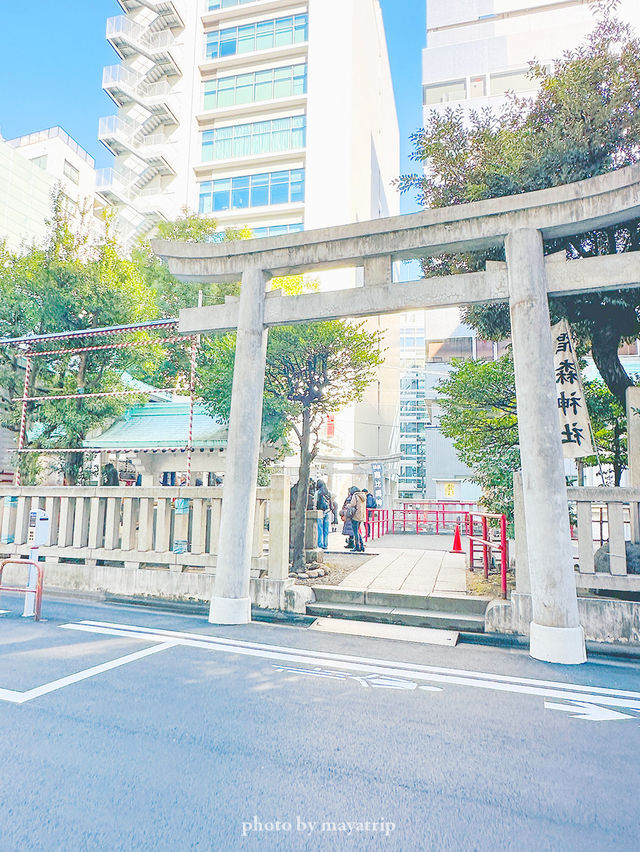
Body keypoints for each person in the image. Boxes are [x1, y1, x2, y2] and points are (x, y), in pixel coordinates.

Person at [346, 486, 367, 552]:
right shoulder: (363, 495)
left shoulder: (355, 495)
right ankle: (362, 546)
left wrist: (348, 505)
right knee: (357, 531)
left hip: (356, 515)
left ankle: (357, 546)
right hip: (361, 515)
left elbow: (352, 504)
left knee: (355, 532)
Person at [315, 479, 331, 550]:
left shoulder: (318, 493)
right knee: (326, 530)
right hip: (327, 511)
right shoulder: (328, 492)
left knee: (320, 529)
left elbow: (315, 502)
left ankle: (320, 544)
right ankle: (325, 544)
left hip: (320, 512)